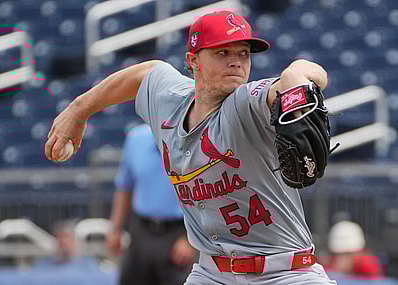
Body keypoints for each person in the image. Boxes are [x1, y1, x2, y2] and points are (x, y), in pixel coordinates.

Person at [45, 10, 335, 284]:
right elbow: (144, 74)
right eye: (223, 52)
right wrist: (78, 110)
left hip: (286, 272)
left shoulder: (247, 103)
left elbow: (305, 76)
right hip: (212, 273)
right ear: (193, 60)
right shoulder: (170, 99)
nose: (236, 62)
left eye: (243, 53)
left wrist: (296, 75)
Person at [106, 123, 196, 285]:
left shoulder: (193, 142)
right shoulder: (135, 139)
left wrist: (190, 240)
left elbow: (205, 194)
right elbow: (124, 187)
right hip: (141, 230)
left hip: (179, 232)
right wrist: (116, 229)